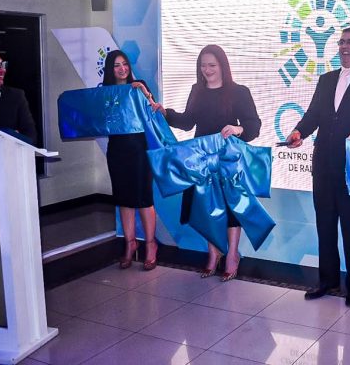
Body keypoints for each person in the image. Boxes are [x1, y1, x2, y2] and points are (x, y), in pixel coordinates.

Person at [286, 27, 350, 307]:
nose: (345, 46)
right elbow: (313, 115)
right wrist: (299, 132)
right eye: (341, 42)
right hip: (323, 166)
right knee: (325, 225)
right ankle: (327, 280)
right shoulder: (326, 79)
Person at [154, 44, 261, 281]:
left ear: (223, 65)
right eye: (203, 65)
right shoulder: (197, 90)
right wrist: (165, 113)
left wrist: (238, 129)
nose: (207, 70)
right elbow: (187, 122)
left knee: (231, 209)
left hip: (228, 160)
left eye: (212, 65)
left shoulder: (239, 91)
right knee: (203, 207)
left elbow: (254, 126)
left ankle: (232, 255)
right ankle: (214, 253)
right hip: (201, 159)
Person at [102, 50, 159, 271]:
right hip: (117, 151)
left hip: (139, 150)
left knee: (144, 198)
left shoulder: (139, 85)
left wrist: (145, 93)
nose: (122, 69)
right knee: (124, 199)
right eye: (116, 65)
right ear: (110, 69)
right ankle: (130, 243)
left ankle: (151, 245)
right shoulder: (105, 91)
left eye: (124, 64)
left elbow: (153, 112)